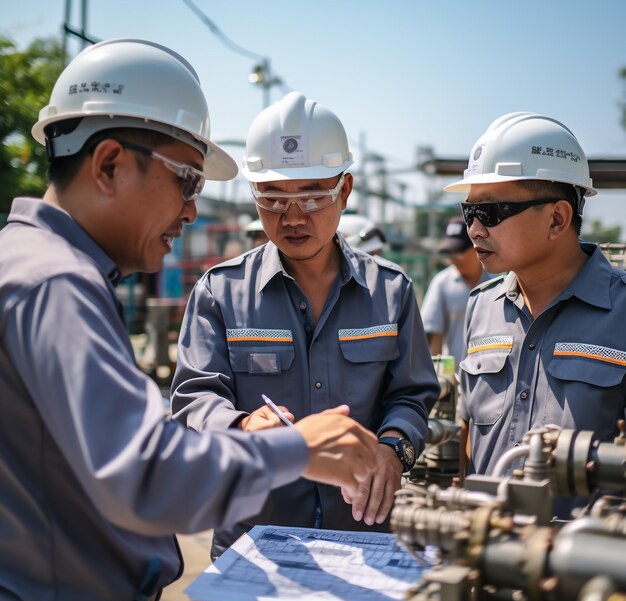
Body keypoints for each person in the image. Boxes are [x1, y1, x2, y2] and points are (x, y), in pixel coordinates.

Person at [0, 39, 379, 601]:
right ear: (108, 166)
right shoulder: (56, 283)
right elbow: (147, 474)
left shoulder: (27, 264)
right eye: (187, 181)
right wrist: (298, 448)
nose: (192, 211)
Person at [171, 91, 439, 561]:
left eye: (313, 197)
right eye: (272, 198)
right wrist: (242, 424)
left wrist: (393, 450)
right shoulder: (219, 293)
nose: (291, 217)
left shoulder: (391, 292)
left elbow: (411, 395)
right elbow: (194, 399)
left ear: (346, 190)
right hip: (253, 547)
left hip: (364, 540)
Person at [444, 112, 625, 513]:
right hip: (483, 553)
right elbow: (468, 435)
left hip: (582, 565)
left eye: (489, 212)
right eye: (468, 211)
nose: (474, 229)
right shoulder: (481, 307)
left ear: (558, 218)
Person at [420, 215, 493, 369]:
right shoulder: (442, 283)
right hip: (454, 379)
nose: (454, 259)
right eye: (450, 253)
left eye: (458, 252)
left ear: (476, 247)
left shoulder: (497, 283)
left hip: (492, 377)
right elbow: (433, 337)